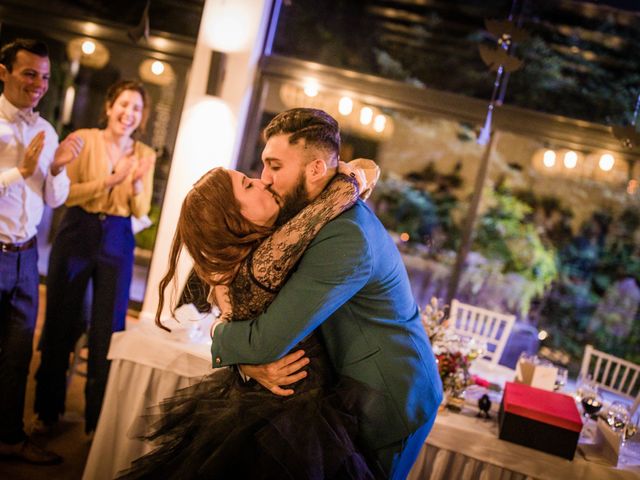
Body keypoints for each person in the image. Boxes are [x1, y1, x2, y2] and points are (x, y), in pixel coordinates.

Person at [210, 108, 442, 479]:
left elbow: (266, 340)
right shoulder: (310, 209)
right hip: (342, 375)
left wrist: (219, 336)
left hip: (389, 392)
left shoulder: (346, 237)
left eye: (274, 166)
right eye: (263, 165)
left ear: (316, 169)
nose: (264, 178)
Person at [118, 158, 381, 479]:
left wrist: (242, 360)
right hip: (288, 420)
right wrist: (346, 176)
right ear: (236, 218)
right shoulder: (264, 262)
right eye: (247, 184)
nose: (261, 181)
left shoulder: (247, 258)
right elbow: (334, 199)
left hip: (280, 406)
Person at [34, 80, 156, 434]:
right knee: (60, 321)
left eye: (136, 108)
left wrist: (132, 185)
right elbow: (65, 194)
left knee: (109, 330)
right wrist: (109, 181)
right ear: (108, 106)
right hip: (77, 230)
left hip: (118, 238)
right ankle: (47, 412)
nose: (129, 113)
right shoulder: (83, 139)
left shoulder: (144, 154)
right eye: (123, 104)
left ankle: (95, 423)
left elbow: (141, 208)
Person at [0, 38, 83, 465]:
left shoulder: (46, 130)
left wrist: (55, 167)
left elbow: (53, 199)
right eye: (30, 73)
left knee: (17, 353)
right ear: (4, 72)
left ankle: (10, 438)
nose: (38, 84)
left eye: (45, 77)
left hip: (26, 257)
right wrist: (21, 171)